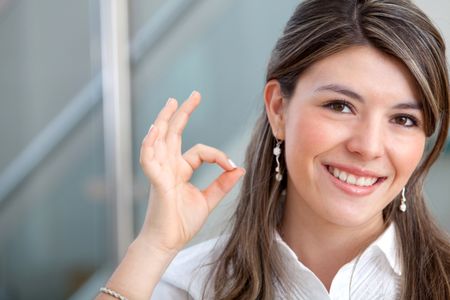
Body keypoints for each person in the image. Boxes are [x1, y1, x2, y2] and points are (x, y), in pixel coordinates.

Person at [96, 0, 450, 299]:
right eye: (340, 106)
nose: (368, 147)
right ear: (279, 109)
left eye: (403, 119)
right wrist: (153, 247)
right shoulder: (189, 286)